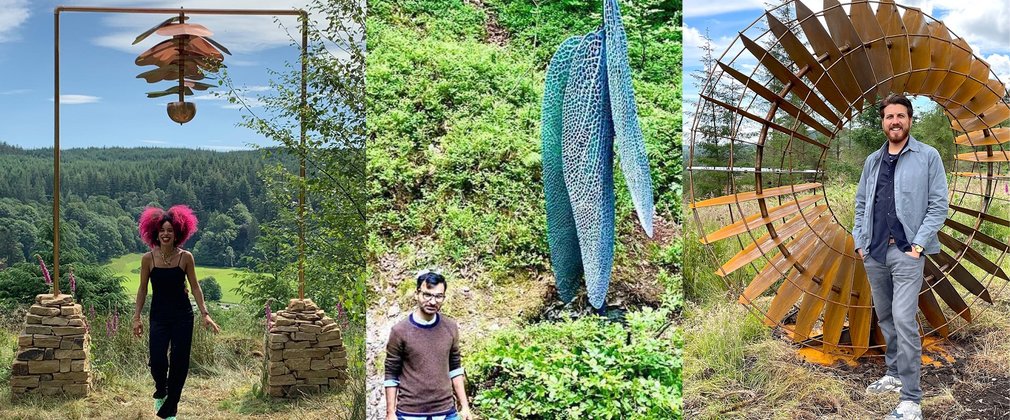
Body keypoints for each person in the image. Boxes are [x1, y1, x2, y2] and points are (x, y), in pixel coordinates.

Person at [852, 94, 948, 420]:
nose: (895, 121)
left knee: (904, 320)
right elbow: (861, 205)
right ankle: (893, 374)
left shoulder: (928, 157)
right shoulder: (872, 161)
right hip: (875, 252)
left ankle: (911, 400)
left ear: (910, 120)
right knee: (887, 318)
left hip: (907, 251)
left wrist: (919, 244)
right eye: (889, 116)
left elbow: (938, 205)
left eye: (901, 116)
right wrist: (861, 243)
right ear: (883, 121)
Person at [132, 205, 221, 420]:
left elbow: (196, 286)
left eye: (170, 230)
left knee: (180, 362)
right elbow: (143, 289)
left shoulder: (185, 257)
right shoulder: (148, 259)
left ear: (178, 233)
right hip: (159, 317)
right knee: (158, 360)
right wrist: (136, 317)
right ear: (155, 232)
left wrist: (205, 313)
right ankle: (161, 390)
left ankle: (170, 407)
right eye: (162, 230)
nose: (165, 234)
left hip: (183, 316)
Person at [384, 270, 472, 420]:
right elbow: (391, 372)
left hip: (446, 412)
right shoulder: (400, 331)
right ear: (417, 293)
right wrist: (390, 413)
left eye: (438, 296)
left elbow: (455, 368)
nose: (432, 301)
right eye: (427, 295)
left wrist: (465, 406)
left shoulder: (450, 327)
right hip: (410, 413)